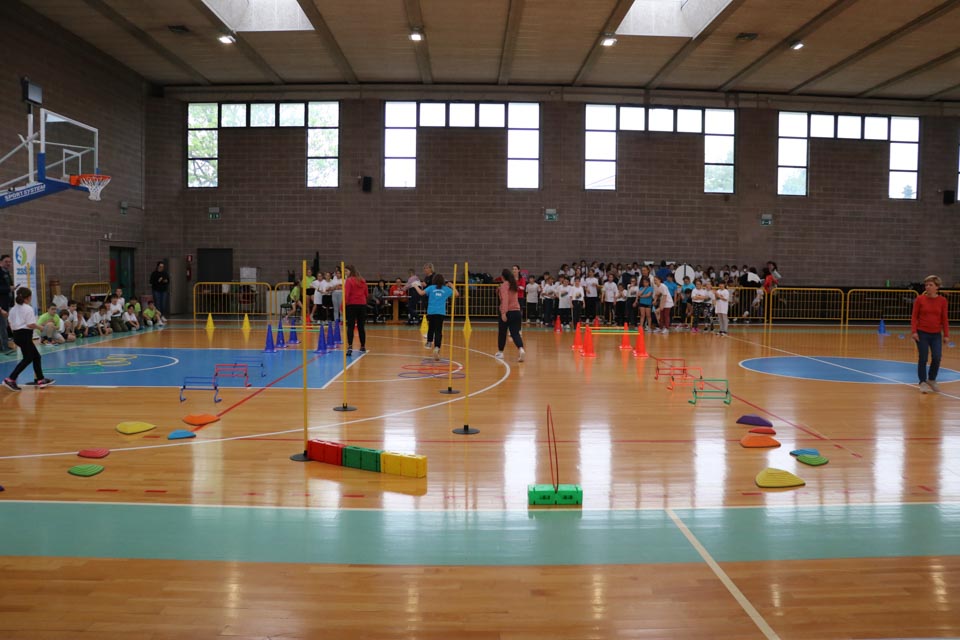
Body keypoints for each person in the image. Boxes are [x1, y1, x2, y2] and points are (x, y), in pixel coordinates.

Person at [3, 288, 55, 390]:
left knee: (36, 356)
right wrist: (41, 327)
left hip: (17, 335)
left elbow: (10, 323)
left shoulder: (13, 309)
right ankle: (11, 379)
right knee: (28, 358)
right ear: (29, 297)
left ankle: (40, 379)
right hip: (25, 335)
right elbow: (30, 324)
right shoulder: (28, 308)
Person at [911, 275, 950, 394]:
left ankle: (932, 379)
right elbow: (914, 317)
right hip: (922, 333)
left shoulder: (942, 301)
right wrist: (914, 332)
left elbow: (944, 319)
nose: (927, 287)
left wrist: (946, 334)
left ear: (937, 287)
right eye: (926, 285)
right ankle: (922, 382)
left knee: (937, 357)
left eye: (930, 285)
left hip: (936, 334)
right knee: (923, 358)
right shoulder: (920, 299)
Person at [413, 273, 456, 361]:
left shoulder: (431, 288)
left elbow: (421, 293)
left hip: (431, 311)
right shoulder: (446, 289)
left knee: (431, 327)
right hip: (441, 312)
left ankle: (429, 342)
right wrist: (452, 286)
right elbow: (457, 294)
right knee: (438, 330)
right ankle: (437, 347)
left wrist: (415, 286)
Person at [495, 268, 526, 362]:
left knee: (502, 332)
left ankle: (500, 352)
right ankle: (521, 349)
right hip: (516, 312)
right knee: (515, 333)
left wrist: (503, 312)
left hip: (508, 311)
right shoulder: (514, 285)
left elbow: (505, 300)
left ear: (502, 277)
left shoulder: (504, 286)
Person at [342, 265, 368, 357]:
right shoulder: (362, 280)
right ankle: (363, 346)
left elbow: (346, 294)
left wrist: (343, 305)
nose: (345, 273)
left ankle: (350, 347)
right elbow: (366, 293)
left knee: (350, 326)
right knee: (361, 326)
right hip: (362, 305)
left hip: (352, 305)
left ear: (351, 271)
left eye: (346, 271)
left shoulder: (349, 281)